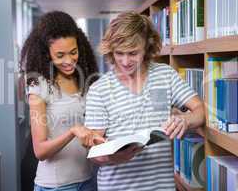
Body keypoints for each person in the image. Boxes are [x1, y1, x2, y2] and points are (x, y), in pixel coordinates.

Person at [84, 11, 205, 191]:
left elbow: (200, 110)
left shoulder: (165, 74)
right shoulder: (99, 90)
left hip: (161, 186)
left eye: (133, 53)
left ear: (147, 46)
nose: (125, 61)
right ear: (111, 49)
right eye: (119, 53)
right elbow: (93, 151)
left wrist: (185, 120)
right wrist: (112, 158)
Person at [20, 11, 104, 191]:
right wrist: (72, 131)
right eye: (60, 55)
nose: (69, 61)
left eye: (73, 52)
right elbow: (40, 151)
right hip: (55, 186)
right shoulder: (38, 85)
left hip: (89, 179)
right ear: (47, 53)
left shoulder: (84, 79)